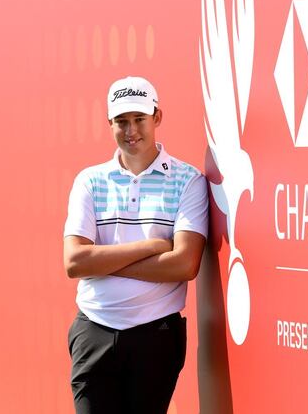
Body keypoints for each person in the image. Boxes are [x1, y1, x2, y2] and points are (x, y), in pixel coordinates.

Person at [63, 76, 208, 414]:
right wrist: (152, 246)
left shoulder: (188, 181)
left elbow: (184, 265)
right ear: (109, 123)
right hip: (93, 330)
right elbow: (74, 263)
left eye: (139, 119)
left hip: (155, 334)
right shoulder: (90, 180)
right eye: (121, 121)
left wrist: (103, 262)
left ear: (157, 117)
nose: (131, 131)